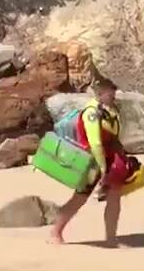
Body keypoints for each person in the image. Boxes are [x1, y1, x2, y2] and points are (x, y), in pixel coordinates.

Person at [48, 77, 129, 247]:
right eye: (111, 93)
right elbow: (95, 143)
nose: (114, 96)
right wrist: (102, 168)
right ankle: (55, 232)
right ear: (101, 93)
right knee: (80, 198)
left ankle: (111, 238)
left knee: (115, 197)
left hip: (112, 159)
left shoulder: (111, 110)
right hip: (93, 162)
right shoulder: (92, 113)